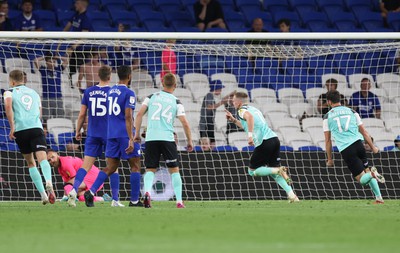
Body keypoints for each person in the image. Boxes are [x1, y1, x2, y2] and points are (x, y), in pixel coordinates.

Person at [84, 65, 142, 208]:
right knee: (135, 165)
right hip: (124, 134)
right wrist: (131, 138)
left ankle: (90, 192)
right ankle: (134, 201)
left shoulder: (110, 92)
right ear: (129, 76)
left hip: (111, 135)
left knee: (110, 167)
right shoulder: (129, 93)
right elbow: (128, 116)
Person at [134, 73, 194, 208]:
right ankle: (179, 201)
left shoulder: (151, 97)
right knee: (174, 170)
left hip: (151, 138)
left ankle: (148, 192)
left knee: (150, 169)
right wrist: (190, 141)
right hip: (167, 138)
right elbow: (185, 122)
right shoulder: (176, 101)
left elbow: (138, 114)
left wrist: (137, 134)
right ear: (175, 85)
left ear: (162, 83)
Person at [225, 92, 298, 202]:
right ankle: (292, 196)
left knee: (252, 171)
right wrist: (234, 120)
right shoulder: (254, 109)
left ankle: (278, 170)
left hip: (264, 142)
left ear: (239, 102)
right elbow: (249, 122)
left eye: (234, 101)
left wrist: (250, 136)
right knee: (274, 172)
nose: (232, 103)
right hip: (274, 139)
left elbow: (249, 118)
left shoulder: (241, 111)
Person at [67, 65, 123, 207]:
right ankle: (115, 200)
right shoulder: (113, 92)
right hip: (109, 134)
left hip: (92, 133)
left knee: (85, 166)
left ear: (98, 75)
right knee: (113, 167)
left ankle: (74, 190)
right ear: (110, 77)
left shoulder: (88, 92)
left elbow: (82, 114)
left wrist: (78, 131)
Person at [323, 90, 385, 204]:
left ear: (329, 102)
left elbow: (328, 141)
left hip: (347, 149)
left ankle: (372, 173)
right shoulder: (352, 111)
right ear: (339, 100)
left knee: (362, 180)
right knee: (366, 169)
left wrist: (330, 159)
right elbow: (364, 132)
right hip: (359, 144)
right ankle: (379, 198)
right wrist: (373, 147)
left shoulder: (327, 117)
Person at [3, 70, 55, 205]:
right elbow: (39, 113)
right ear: (23, 80)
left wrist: (12, 126)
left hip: (21, 130)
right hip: (36, 128)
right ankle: (49, 181)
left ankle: (43, 194)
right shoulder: (34, 93)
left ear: (12, 81)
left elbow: (8, 106)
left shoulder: (9, 92)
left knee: (31, 163)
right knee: (43, 158)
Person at [33, 53, 67, 120]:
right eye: (50, 61)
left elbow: (66, 60)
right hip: (46, 98)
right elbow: (35, 60)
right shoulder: (43, 70)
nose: (52, 63)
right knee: (46, 118)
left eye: (54, 62)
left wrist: (57, 57)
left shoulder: (58, 69)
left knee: (60, 118)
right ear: (46, 62)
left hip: (58, 97)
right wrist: (45, 57)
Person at [199, 80, 232, 148]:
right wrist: (222, 102)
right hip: (205, 124)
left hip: (210, 123)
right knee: (206, 144)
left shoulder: (212, 96)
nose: (220, 91)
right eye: (220, 89)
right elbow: (209, 107)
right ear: (216, 89)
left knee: (212, 143)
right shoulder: (209, 95)